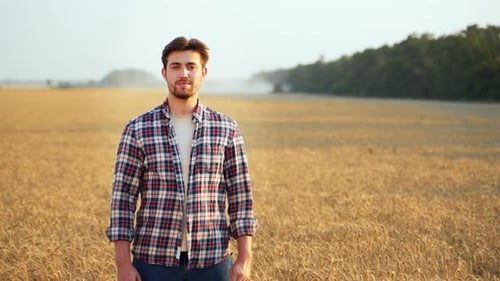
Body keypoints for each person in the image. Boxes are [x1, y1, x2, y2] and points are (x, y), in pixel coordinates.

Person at [106, 36, 257, 281]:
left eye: (191, 66)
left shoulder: (226, 128)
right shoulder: (138, 128)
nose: (183, 73)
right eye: (175, 66)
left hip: (213, 260)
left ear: (203, 73)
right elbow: (123, 198)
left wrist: (244, 258)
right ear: (164, 72)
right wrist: (122, 263)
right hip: (153, 261)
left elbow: (241, 196)